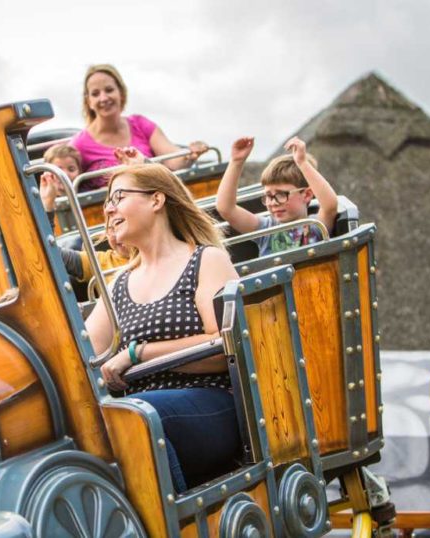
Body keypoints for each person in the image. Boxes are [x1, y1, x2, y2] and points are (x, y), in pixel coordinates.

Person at [85, 163, 241, 492]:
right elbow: (83, 356)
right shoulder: (118, 284)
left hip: (211, 403)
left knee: (134, 419)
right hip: (139, 410)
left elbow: (225, 346)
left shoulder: (206, 260)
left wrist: (137, 353)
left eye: (119, 197)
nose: (109, 208)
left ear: (157, 200)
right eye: (107, 202)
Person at [71, 64, 209, 191]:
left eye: (109, 90)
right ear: (88, 101)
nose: (103, 98)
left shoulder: (141, 124)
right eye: (95, 94)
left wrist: (190, 154)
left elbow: (173, 161)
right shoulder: (79, 144)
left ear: (121, 93)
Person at [215, 136, 338, 256]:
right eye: (268, 196)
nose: (273, 202)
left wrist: (302, 163)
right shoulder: (267, 229)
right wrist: (236, 162)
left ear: (306, 195)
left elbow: (330, 205)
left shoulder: (316, 227)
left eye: (280, 195)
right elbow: (226, 209)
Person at [39, 144, 130, 281]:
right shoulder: (102, 262)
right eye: (110, 228)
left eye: (120, 223)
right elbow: (50, 254)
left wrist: (139, 168)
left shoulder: (166, 254)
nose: (117, 235)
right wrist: (47, 206)